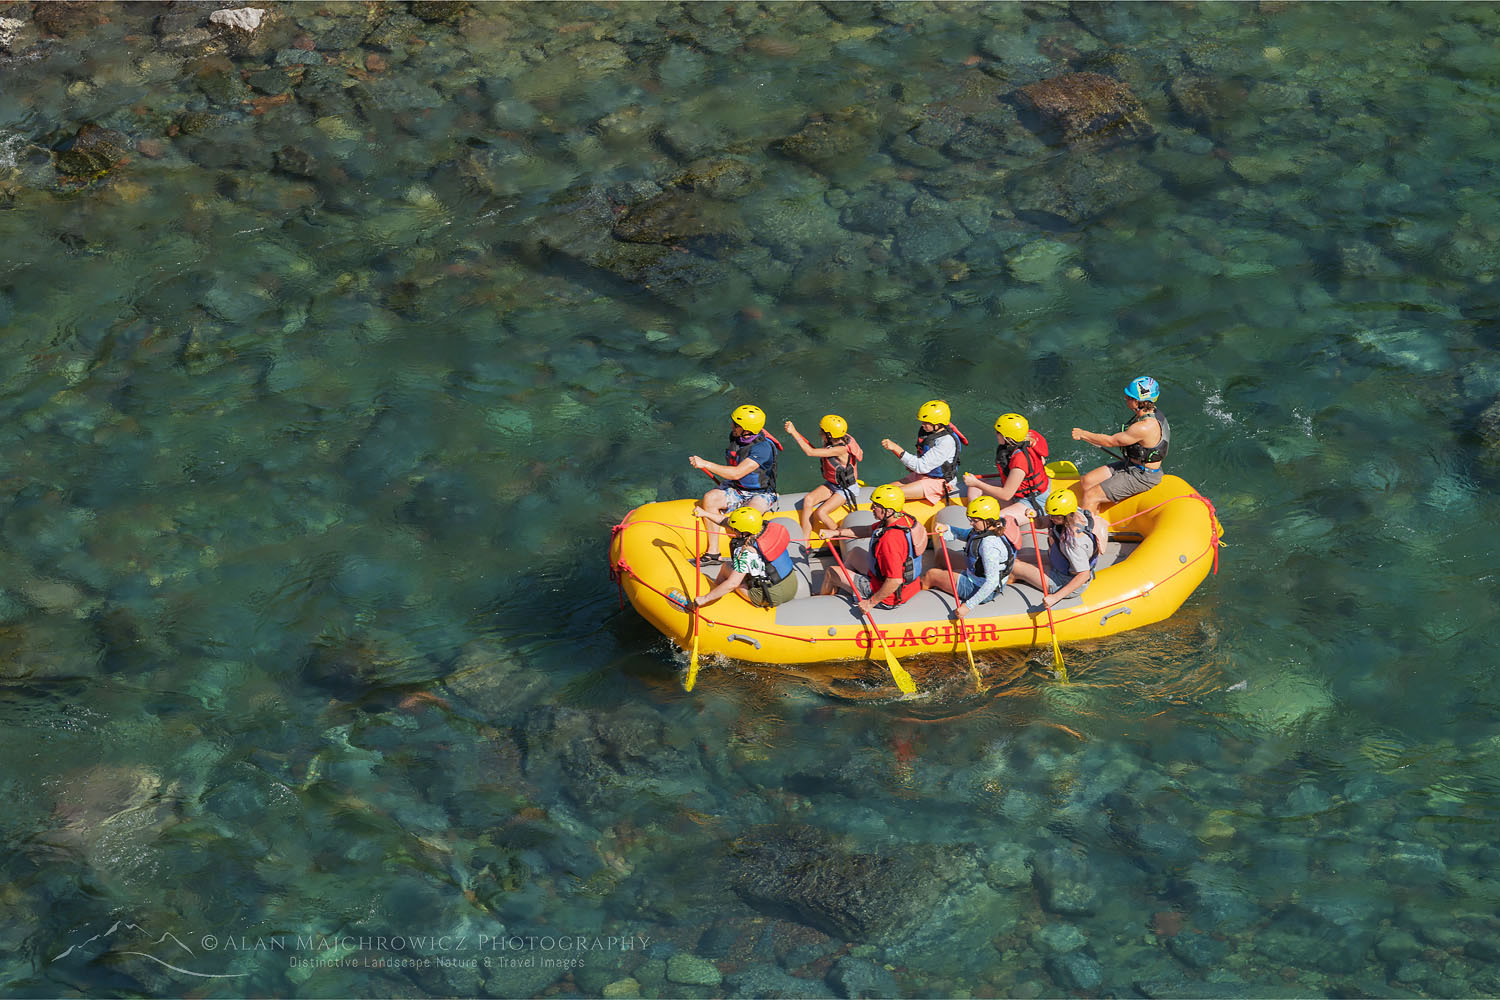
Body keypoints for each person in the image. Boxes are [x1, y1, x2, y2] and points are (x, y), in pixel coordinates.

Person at [690, 404, 782, 562]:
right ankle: (713, 552)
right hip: (737, 488)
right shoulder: (737, 436)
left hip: (761, 493)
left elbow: (737, 472)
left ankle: (750, 554)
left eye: (735, 424)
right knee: (710, 498)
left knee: (746, 520)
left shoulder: (762, 449)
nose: (731, 425)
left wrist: (705, 464)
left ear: (746, 428)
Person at [818, 484, 925, 615]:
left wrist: (870, 603)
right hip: (908, 587)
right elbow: (868, 530)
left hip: (889, 597)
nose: (871, 508)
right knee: (854, 553)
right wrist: (836, 533)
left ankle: (823, 603)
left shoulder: (890, 541)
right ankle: (846, 586)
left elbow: (895, 580)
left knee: (831, 572)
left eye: (876, 506)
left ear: (889, 510)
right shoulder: (902, 518)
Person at [1071, 376, 1170, 512]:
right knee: (1087, 481)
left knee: (1090, 496)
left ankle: (1086, 530)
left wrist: (1083, 434)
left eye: (1129, 397)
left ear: (1138, 401)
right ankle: (1095, 511)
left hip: (1143, 476)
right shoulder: (1152, 412)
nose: (1125, 399)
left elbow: (1110, 441)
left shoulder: (1144, 427)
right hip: (1131, 465)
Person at [684, 506, 800, 610]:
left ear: (744, 532)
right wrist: (705, 514)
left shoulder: (747, 552)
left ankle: (714, 593)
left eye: (735, 529)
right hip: (791, 584)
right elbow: (727, 522)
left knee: (726, 567)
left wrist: (704, 599)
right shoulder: (764, 528)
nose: (732, 530)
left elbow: (733, 584)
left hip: (772, 596)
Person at [1009, 491, 1109, 608]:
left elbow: (1084, 575)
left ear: (1066, 515)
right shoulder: (1071, 513)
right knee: (1016, 557)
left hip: (1064, 580)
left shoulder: (1073, 542)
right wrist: (1034, 516)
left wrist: (1054, 598)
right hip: (1060, 560)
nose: (1051, 518)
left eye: (1054, 516)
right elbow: (1041, 523)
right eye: (1050, 514)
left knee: (1014, 568)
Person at [923, 496, 1016, 620]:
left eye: (974, 520)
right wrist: (948, 528)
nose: (971, 523)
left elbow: (992, 582)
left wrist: (967, 606)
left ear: (987, 521)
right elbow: (966, 534)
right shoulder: (988, 528)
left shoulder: (989, 546)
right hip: (976, 575)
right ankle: (942, 581)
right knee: (941, 555)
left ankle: (923, 599)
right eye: (970, 519)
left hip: (978, 587)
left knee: (931, 575)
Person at [783, 414, 863, 542]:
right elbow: (814, 449)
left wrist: (793, 433)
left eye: (822, 431)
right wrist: (796, 431)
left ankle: (839, 535)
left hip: (845, 489)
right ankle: (806, 538)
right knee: (808, 500)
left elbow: (811, 452)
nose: (820, 432)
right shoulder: (833, 439)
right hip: (832, 484)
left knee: (821, 512)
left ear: (829, 434)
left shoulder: (841, 449)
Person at [963, 412, 1051, 524]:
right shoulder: (1026, 439)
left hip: (1032, 501)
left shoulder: (1020, 460)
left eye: (998, 433)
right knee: (974, 490)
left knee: (994, 521)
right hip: (1019, 493)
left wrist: (976, 482)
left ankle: (980, 522)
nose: (995, 434)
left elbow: (1006, 494)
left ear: (1007, 437)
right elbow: (1042, 461)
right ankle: (976, 516)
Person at [881, 399, 965, 504]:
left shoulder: (946, 441)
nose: (922, 425)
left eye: (926, 422)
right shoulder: (929, 431)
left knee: (888, 495)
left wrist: (896, 448)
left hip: (939, 483)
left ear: (938, 423)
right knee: (882, 491)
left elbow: (921, 467)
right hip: (923, 476)